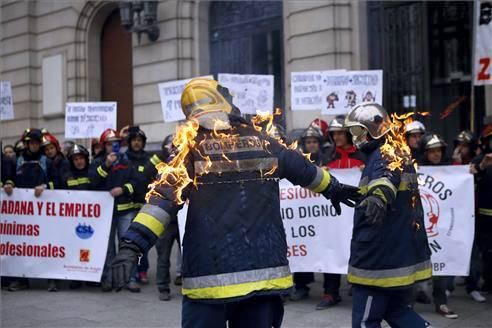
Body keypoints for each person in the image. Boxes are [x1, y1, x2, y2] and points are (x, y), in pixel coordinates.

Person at [111, 78, 360, 328]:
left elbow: (163, 199)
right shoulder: (263, 141)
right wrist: (333, 187)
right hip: (263, 278)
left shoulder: (191, 149)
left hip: (209, 280)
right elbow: (304, 169)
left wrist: (133, 244)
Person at [344, 103, 432, 328]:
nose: (355, 138)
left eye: (357, 131)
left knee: (366, 321)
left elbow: (385, 178)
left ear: (373, 129)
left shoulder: (385, 154)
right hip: (396, 253)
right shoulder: (396, 151)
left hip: (379, 259)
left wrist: (377, 197)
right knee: (397, 312)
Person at [313, 116, 366, 311]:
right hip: (333, 212)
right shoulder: (326, 155)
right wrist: (321, 171)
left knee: (358, 248)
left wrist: (365, 170)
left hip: (356, 209)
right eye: (334, 133)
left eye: (341, 133)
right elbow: (316, 177)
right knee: (332, 247)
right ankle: (330, 292)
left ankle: (360, 287)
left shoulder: (362, 155)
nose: (337, 137)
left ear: (349, 134)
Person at [90, 128, 139, 292]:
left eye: (116, 143)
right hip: (106, 214)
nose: (114, 147)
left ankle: (130, 279)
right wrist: (107, 165)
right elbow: (93, 182)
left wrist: (123, 189)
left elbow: (136, 183)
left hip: (125, 212)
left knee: (128, 247)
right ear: (104, 146)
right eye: (110, 144)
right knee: (108, 247)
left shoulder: (127, 162)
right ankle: (108, 279)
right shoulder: (98, 162)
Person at [419, 134, 459, 319]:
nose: (436, 154)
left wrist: (471, 171)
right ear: (425, 153)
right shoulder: (415, 169)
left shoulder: (452, 170)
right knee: (414, 267)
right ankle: (406, 304)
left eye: (438, 151)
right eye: (432, 151)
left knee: (441, 266)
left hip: (441, 228)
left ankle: (441, 302)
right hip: (418, 227)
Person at [8, 129, 49, 292]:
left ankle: (50, 278)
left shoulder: (46, 160)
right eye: (30, 142)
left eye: (36, 143)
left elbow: (56, 182)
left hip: (43, 211)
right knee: (21, 246)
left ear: (40, 144)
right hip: (22, 212)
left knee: (46, 245)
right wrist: (9, 185)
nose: (33, 145)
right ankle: (20, 279)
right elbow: (9, 177)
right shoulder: (17, 160)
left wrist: (45, 187)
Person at [124, 126, 151, 284]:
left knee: (143, 240)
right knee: (129, 242)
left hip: (144, 205)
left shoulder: (148, 159)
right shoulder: (124, 158)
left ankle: (142, 270)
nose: (136, 143)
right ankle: (130, 271)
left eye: (139, 140)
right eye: (134, 140)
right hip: (127, 207)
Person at [64, 144, 92, 289]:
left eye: (81, 158)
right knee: (74, 248)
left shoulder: (92, 173)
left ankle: (91, 277)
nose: (79, 161)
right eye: (75, 159)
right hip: (73, 219)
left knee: (91, 248)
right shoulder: (67, 175)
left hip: (93, 220)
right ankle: (75, 277)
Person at [471, 125, 492, 294]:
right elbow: (469, 181)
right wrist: (481, 168)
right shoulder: (479, 160)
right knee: (486, 252)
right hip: (484, 217)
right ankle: (487, 281)